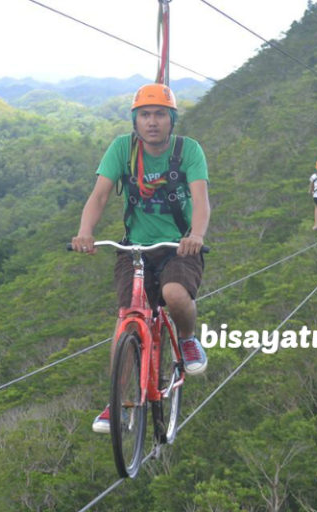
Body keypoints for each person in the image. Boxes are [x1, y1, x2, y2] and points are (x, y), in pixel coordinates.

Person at [71, 83, 210, 434]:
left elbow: (201, 199)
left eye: (160, 114)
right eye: (145, 115)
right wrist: (85, 231)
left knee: (175, 295)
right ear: (135, 120)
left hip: (179, 246)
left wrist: (196, 236)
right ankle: (117, 404)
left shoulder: (188, 151)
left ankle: (189, 339)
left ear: (171, 119)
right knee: (127, 320)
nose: (152, 122)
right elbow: (100, 195)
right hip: (134, 247)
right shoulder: (123, 149)